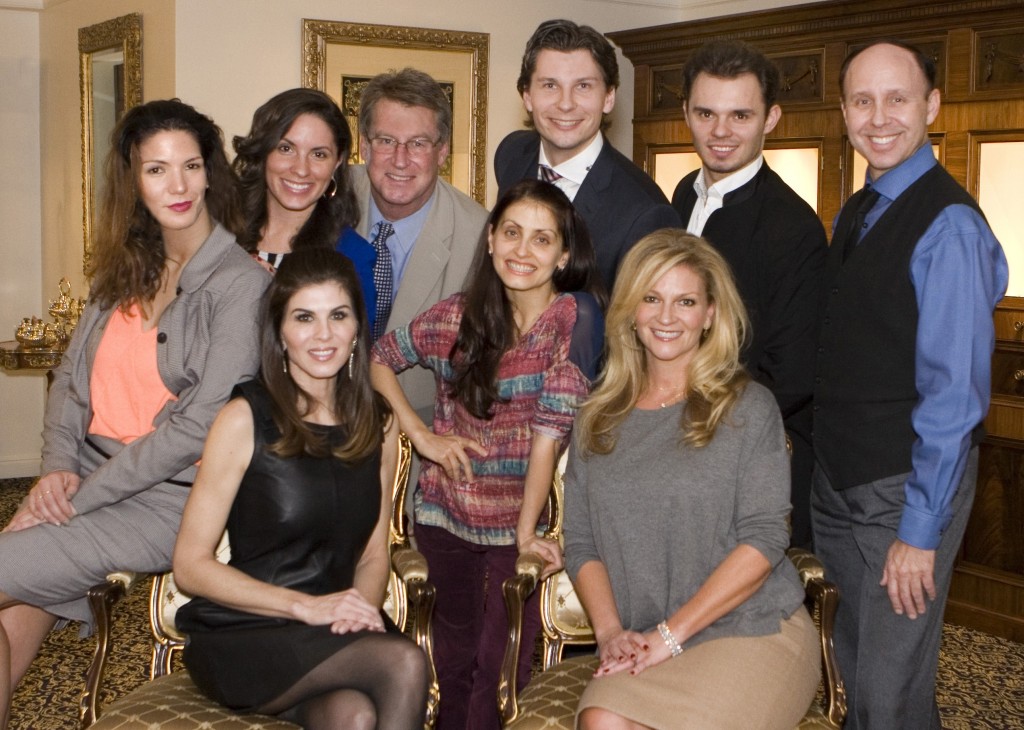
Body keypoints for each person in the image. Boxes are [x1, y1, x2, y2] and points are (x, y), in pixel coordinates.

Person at [0, 99, 269, 729]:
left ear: (211, 174)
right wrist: (53, 473)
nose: (177, 186)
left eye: (191, 166)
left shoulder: (240, 285)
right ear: (133, 180)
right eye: (156, 170)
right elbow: (69, 382)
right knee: (13, 622)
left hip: (164, 502)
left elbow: (196, 426)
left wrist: (77, 496)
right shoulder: (122, 270)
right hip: (79, 484)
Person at [811, 41, 1009, 728]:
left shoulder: (947, 225)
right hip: (842, 484)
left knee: (884, 693)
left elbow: (954, 399)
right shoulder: (860, 209)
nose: (879, 117)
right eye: (862, 101)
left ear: (931, 105)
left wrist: (919, 531)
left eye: (898, 98)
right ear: (843, 111)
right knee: (854, 672)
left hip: (905, 490)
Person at [564, 230, 820, 730]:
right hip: (640, 635)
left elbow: (765, 539)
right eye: (652, 298)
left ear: (710, 314)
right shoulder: (596, 417)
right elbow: (582, 542)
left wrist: (670, 637)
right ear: (630, 312)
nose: (665, 317)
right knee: (602, 720)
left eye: (685, 301)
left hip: (752, 628)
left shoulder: (748, 408)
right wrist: (611, 631)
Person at [371, 179, 603, 730]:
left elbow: (550, 433)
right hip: (445, 515)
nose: (523, 251)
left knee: (499, 670)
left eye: (542, 240)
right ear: (492, 239)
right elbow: (378, 357)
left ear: (564, 255)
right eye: (512, 233)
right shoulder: (456, 315)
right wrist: (422, 437)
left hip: (518, 526)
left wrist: (526, 534)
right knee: (449, 663)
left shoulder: (574, 319)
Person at [173, 249, 429, 730]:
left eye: (338, 315)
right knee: (405, 662)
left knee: (353, 717)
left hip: (333, 628)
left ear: (357, 327)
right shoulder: (243, 418)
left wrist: (358, 610)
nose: (323, 335)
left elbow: (374, 556)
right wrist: (306, 607)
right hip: (248, 630)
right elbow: (190, 566)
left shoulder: (378, 423)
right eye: (304, 318)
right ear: (280, 332)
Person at [670, 39, 827, 548]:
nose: (720, 132)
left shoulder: (793, 227)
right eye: (706, 113)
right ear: (686, 114)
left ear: (771, 118)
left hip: (745, 458)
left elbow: (791, 374)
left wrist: (696, 434)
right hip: (672, 442)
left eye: (740, 115)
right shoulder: (678, 197)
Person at [494, 19, 680, 291]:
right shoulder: (511, 154)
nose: (566, 104)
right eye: (549, 85)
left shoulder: (646, 213)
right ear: (527, 96)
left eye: (583, 86)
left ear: (608, 98)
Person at [350, 69, 487, 368]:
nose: (400, 160)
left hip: (421, 414)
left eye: (418, 144)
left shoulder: (480, 238)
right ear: (363, 146)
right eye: (386, 140)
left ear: (442, 152)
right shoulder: (325, 200)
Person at [233, 88, 378, 330]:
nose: (301, 169)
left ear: (338, 162)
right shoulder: (218, 236)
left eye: (319, 154)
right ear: (263, 151)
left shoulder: (353, 257)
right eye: (286, 149)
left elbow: (353, 357)